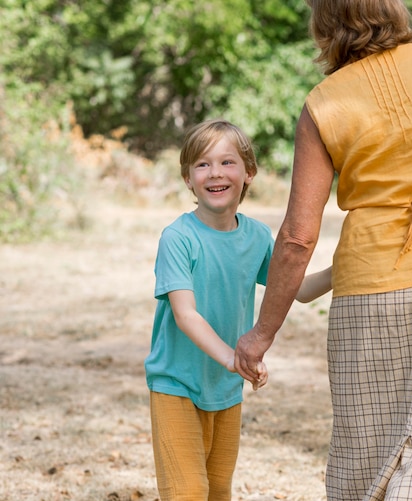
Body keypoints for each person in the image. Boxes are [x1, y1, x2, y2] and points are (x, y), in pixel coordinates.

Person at [235, 0, 412, 499]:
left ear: (324, 25)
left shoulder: (323, 103)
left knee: (365, 458)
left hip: (374, 288)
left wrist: (261, 334)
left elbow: (299, 237)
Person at [144, 119, 272, 501]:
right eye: (202, 164)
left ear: (249, 172)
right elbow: (186, 315)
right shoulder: (178, 238)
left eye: (227, 162)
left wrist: (345, 267)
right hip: (176, 385)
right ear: (187, 178)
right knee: (187, 493)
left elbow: (295, 289)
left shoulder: (258, 236)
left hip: (226, 391)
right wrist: (235, 359)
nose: (215, 173)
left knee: (217, 492)